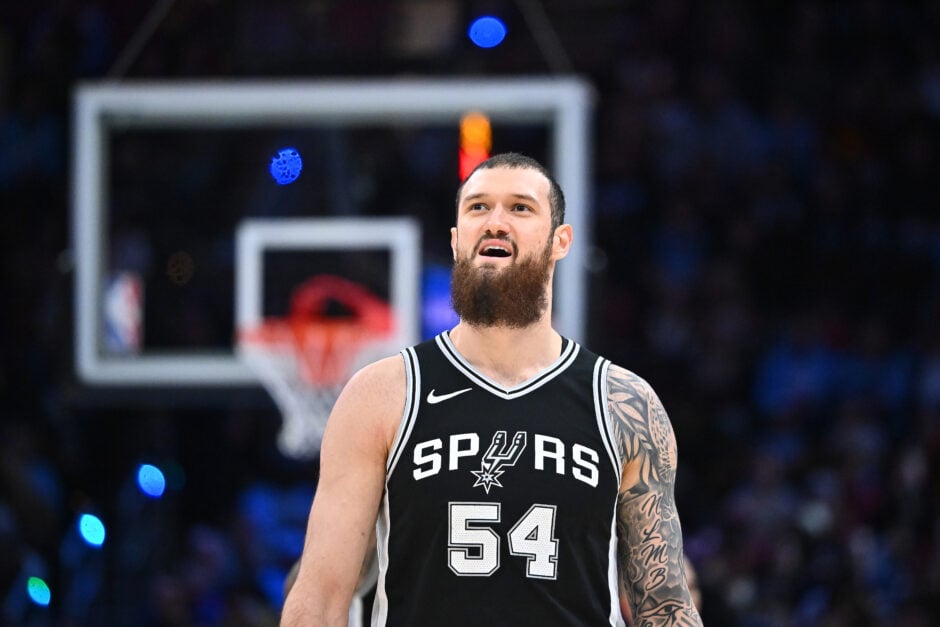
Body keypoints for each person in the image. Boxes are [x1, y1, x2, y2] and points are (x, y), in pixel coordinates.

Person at [281, 152, 702, 626]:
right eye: (478, 207)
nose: (496, 221)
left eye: (520, 208)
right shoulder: (382, 393)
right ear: (457, 240)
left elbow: (664, 607)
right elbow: (317, 599)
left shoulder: (624, 403)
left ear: (560, 241)